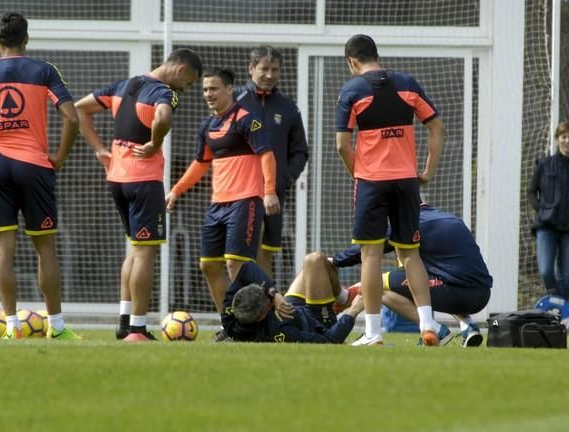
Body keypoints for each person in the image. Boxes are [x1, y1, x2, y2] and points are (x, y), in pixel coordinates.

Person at [75, 48, 202, 342]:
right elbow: (163, 117)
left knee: (134, 249)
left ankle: (124, 321)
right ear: (180, 70)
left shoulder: (124, 85)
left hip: (117, 178)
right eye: (190, 82)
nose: (187, 88)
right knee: (146, 252)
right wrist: (156, 142)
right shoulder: (164, 92)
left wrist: (99, 148)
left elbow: (80, 109)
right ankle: (137, 328)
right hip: (144, 180)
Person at [335, 34, 446, 346]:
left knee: (370, 254)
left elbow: (342, 145)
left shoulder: (352, 89)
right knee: (410, 254)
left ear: (352, 61)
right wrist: (426, 171)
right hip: (406, 181)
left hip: (371, 182)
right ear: (376, 55)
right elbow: (437, 127)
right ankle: (428, 324)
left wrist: (359, 174)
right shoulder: (407, 83)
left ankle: (373, 332)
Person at [0, 12, 80, 340]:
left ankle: (11, 328)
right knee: (45, 248)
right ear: (26, 39)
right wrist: (59, 159)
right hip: (35, 165)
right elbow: (73, 118)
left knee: (3, 251)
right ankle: (58, 328)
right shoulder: (44, 71)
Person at [165, 68, 280, 318]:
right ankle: (227, 324)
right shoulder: (207, 125)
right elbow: (200, 164)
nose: (208, 94)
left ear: (230, 89)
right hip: (217, 206)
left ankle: (257, 321)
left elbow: (266, 155)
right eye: (205, 89)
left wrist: (269, 191)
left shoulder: (247, 119)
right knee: (208, 265)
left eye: (214, 88)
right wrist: (176, 190)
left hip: (245, 201)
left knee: (237, 265)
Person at [332, 203, 492, 347]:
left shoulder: (409, 224)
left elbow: (367, 250)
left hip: (454, 291)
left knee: (379, 288)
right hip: (482, 294)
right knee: (428, 278)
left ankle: (435, 329)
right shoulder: (451, 219)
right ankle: (467, 324)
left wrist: (335, 262)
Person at [234, 46, 308, 278]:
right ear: (251, 68)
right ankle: (240, 305)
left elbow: (300, 151)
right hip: (239, 190)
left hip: (274, 193)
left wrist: (285, 178)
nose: (269, 74)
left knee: (266, 250)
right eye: (264, 68)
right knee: (241, 252)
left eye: (274, 69)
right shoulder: (234, 101)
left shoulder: (288, 107)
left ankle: (263, 307)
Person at [527, 121, 569, 335]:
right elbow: (531, 192)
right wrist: (542, 210)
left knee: (565, 274)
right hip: (547, 227)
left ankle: (565, 321)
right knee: (546, 270)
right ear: (557, 139)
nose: (567, 140)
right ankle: (561, 309)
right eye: (563, 137)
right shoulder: (544, 164)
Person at [223, 251, 362, 343]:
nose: (271, 301)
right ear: (261, 317)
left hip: (291, 307)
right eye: (269, 302)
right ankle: (340, 304)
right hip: (314, 320)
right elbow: (329, 341)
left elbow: (247, 267)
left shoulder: (228, 317)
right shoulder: (279, 333)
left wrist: (274, 293)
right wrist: (353, 312)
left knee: (313, 260)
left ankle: (342, 299)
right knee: (319, 262)